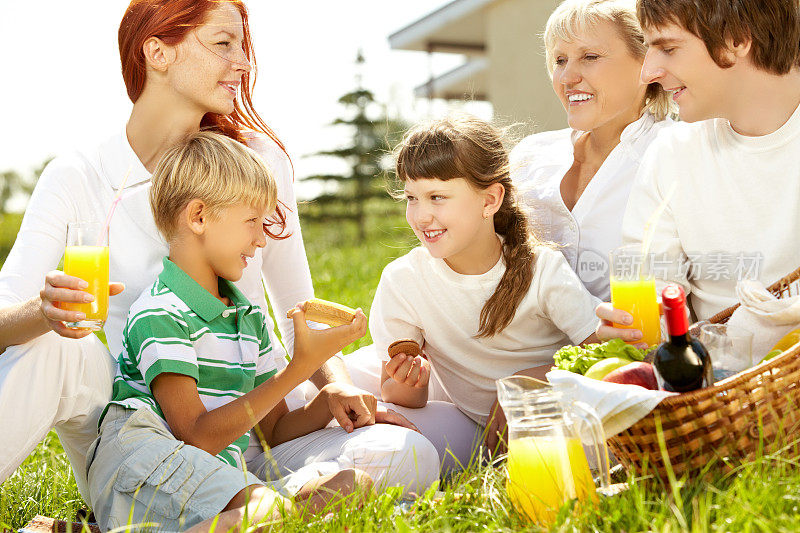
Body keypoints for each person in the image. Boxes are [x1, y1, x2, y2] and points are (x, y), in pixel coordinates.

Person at [0, 0, 437, 501]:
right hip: (139, 436)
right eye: (223, 44)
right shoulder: (79, 176)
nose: (244, 62)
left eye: (243, 46)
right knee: (58, 347)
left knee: (408, 454)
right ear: (158, 52)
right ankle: (262, 506)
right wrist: (45, 311)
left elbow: (301, 305)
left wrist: (332, 384)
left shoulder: (257, 162)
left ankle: (261, 506)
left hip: (256, 420)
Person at [88, 132, 374, 531]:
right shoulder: (160, 312)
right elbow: (195, 437)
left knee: (352, 485)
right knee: (267, 510)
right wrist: (298, 368)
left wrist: (327, 400)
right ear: (199, 216)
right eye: (251, 221)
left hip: (214, 475)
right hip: (144, 461)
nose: (261, 239)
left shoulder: (246, 317)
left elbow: (271, 429)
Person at [368, 115, 601, 468]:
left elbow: (600, 352)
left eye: (437, 197)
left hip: (549, 415)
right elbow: (399, 396)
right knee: (386, 452)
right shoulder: (404, 280)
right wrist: (410, 382)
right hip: (466, 423)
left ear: (490, 200)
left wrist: (527, 385)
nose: (421, 215)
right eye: (412, 198)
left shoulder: (541, 269)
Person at [595, 0, 800, 345]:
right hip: (720, 391)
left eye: (668, 48)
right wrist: (635, 333)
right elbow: (652, 293)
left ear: (737, 38)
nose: (647, 73)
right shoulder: (671, 153)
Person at [510, 0, 675, 302]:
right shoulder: (528, 157)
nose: (567, 77)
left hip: (636, 346)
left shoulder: (677, 152)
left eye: (589, 56)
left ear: (646, 63)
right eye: (559, 60)